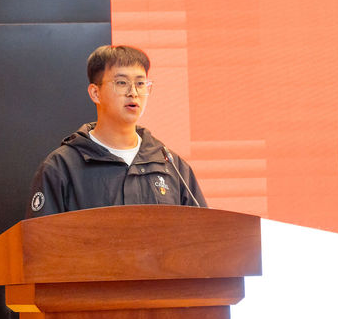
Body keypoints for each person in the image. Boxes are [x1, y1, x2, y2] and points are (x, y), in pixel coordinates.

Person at [25, 45, 206, 218]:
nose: (133, 92)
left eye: (140, 83)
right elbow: (41, 237)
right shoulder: (62, 167)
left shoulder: (170, 165)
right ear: (95, 93)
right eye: (121, 82)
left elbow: (202, 232)